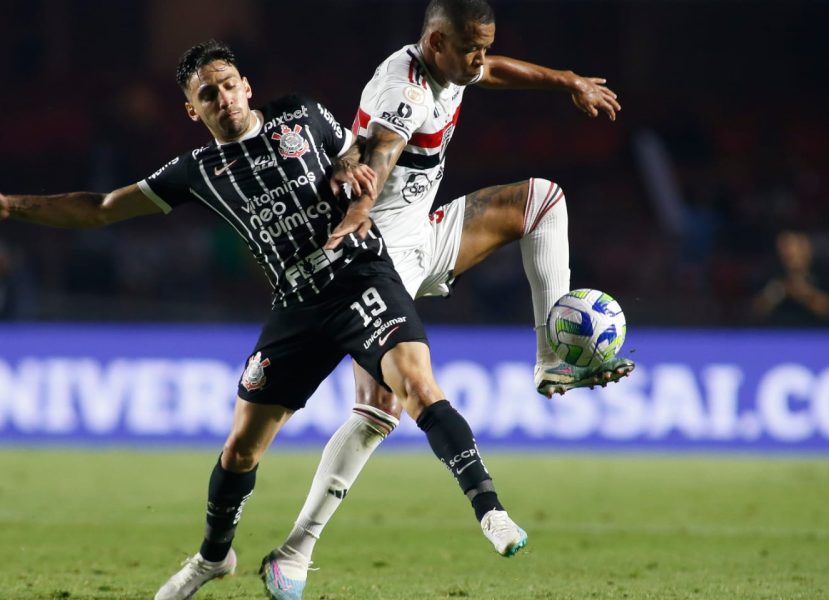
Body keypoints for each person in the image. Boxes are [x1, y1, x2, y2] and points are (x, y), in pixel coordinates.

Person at [0, 40, 527, 600]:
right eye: (208, 96)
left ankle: (490, 509)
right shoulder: (193, 171)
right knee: (240, 450)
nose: (223, 100)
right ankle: (214, 557)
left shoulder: (300, 114)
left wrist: (355, 169)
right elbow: (101, 209)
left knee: (417, 385)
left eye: (228, 86)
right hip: (296, 306)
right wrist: (11, 207)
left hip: (361, 276)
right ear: (193, 110)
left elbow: (364, 144)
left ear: (246, 86)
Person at [261, 1, 635, 598]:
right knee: (379, 410)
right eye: (472, 49)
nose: (481, 60)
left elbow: (498, 71)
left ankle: (553, 355)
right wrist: (359, 208)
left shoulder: (455, 67)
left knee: (542, 200)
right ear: (436, 43)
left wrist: (566, 80)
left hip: (425, 234)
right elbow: (381, 151)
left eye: (485, 46)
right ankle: (296, 551)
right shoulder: (401, 89)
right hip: (374, 253)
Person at [753, 229, 829, 325]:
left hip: (816, 334)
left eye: (792, 247)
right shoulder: (771, 273)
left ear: (806, 248)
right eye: (783, 248)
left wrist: (804, 294)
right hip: (777, 333)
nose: (788, 253)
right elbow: (755, 311)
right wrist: (772, 295)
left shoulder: (822, 273)